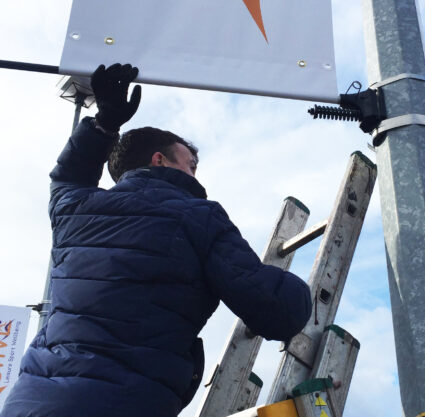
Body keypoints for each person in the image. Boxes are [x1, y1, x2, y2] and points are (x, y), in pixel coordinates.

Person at [0, 64, 312, 417]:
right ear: (159, 160)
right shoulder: (198, 216)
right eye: (191, 164)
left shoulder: (75, 212)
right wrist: (302, 293)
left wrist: (104, 124)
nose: (195, 173)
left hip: (29, 404)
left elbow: (68, 176)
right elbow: (276, 312)